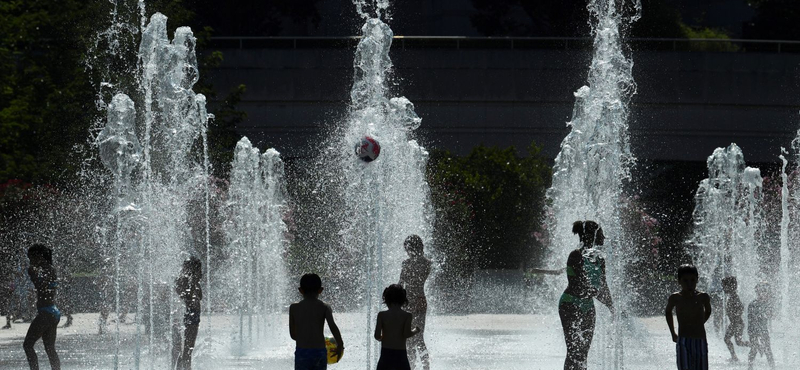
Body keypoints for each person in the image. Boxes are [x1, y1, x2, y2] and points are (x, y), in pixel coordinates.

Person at [559, 220, 614, 370]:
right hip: (570, 304)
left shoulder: (600, 259)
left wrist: (613, 307)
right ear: (591, 236)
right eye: (601, 235)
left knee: (583, 352)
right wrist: (598, 294)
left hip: (588, 306)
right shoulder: (575, 256)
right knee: (573, 351)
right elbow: (578, 284)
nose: (603, 239)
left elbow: (603, 286)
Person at [289, 273, 344, 370]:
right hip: (319, 351)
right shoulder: (324, 307)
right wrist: (340, 345)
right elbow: (333, 327)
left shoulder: (294, 308)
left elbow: (293, 335)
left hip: (302, 352)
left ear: (300, 290)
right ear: (321, 290)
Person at [665, 264, 711, 370]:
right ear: (679, 281)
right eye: (685, 280)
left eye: (692, 280)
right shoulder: (676, 298)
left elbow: (708, 310)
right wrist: (673, 333)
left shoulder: (703, 297)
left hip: (700, 340)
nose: (689, 284)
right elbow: (668, 312)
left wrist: (700, 322)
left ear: (697, 280)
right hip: (683, 340)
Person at [23, 244, 61, 370]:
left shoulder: (47, 269)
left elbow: (42, 287)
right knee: (50, 349)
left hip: (46, 313)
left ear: (38, 256)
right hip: (52, 312)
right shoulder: (50, 269)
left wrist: (33, 275)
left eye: (31, 258)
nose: (30, 261)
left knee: (28, 345)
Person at [398, 235, 431, 370]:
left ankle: (411, 366)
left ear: (409, 248)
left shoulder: (406, 263)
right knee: (419, 338)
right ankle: (425, 365)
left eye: (407, 249)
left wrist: (392, 297)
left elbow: (401, 283)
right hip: (421, 300)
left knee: (409, 339)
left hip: (408, 301)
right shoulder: (427, 263)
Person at [374, 284, 420, 370]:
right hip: (401, 356)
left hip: (385, 355)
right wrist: (415, 330)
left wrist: (383, 338)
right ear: (403, 300)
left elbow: (376, 336)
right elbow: (406, 334)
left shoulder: (382, 315)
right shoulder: (407, 316)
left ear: (386, 299)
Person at [174, 257, 203, 370]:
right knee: (187, 349)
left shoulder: (188, 281)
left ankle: (183, 368)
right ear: (194, 269)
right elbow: (191, 298)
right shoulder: (187, 282)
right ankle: (186, 368)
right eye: (199, 270)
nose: (201, 273)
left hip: (192, 316)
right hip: (190, 317)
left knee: (186, 349)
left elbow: (199, 295)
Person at [747, 282, 774, 370]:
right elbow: (751, 319)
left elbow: (770, 315)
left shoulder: (767, 304)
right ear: (757, 293)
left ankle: (772, 367)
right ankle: (750, 367)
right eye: (761, 292)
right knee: (754, 350)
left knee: (767, 349)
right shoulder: (753, 304)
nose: (763, 294)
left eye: (765, 291)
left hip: (762, 329)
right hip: (754, 330)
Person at [722, 276, 748, 362]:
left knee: (737, 341)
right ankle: (734, 357)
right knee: (732, 340)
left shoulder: (734, 297)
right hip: (734, 323)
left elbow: (741, 307)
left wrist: (736, 317)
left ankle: (756, 346)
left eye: (724, 286)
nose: (723, 288)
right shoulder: (732, 296)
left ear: (730, 287)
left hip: (737, 323)